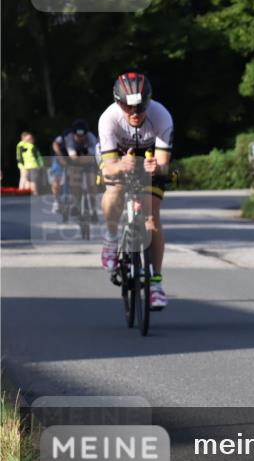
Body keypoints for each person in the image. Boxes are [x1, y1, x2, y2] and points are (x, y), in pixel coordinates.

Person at [98, 72, 174, 310]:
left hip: (150, 163)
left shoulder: (161, 116)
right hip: (119, 160)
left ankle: (156, 284)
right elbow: (108, 168)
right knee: (114, 191)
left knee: (152, 218)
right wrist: (120, 165)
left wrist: (156, 167)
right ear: (117, 103)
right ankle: (111, 239)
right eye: (126, 107)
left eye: (140, 108)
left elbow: (164, 165)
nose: (134, 113)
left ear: (148, 102)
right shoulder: (108, 119)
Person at [52, 119, 100, 215]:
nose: (80, 138)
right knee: (58, 179)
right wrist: (61, 157)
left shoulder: (91, 138)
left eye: (83, 136)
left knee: (91, 182)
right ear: (73, 133)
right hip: (63, 156)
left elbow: (92, 158)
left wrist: (84, 159)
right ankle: (58, 201)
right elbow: (56, 145)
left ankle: (93, 208)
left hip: (78, 159)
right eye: (78, 136)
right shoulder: (67, 137)